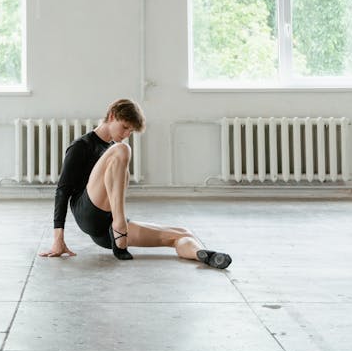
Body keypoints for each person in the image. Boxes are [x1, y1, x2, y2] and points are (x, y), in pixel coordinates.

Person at [39, 98, 232, 268]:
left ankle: (203, 256)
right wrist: (58, 239)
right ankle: (120, 223)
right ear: (112, 115)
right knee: (122, 150)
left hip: (105, 232)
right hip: (88, 213)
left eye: (130, 131)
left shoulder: (113, 151)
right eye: (124, 127)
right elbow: (62, 191)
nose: (126, 134)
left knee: (181, 233)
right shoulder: (82, 146)